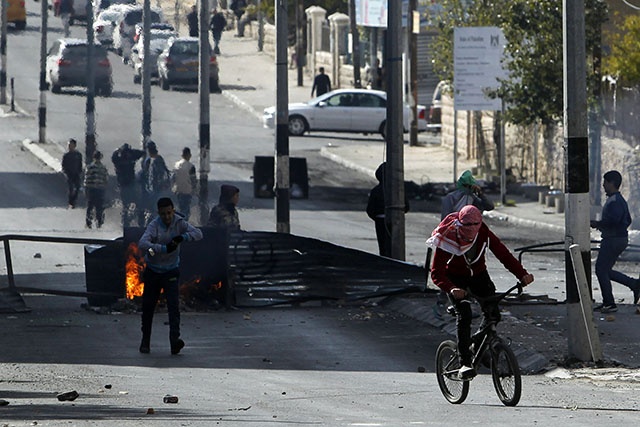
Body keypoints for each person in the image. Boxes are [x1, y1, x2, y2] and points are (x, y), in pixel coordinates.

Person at [427, 205, 534, 380]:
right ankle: (465, 363)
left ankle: (476, 344)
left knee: (494, 314)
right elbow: (437, 272)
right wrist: (452, 288)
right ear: (459, 224)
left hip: (478, 276)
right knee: (465, 316)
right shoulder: (448, 237)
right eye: (467, 225)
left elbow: (503, 254)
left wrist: (522, 274)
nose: (471, 230)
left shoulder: (483, 233)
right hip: (455, 280)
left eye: (475, 225)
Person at [137, 197, 203, 355]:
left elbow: (198, 234)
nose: (167, 217)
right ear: (158, 213)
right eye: (163, 214)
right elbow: (143, 243)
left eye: (169, 213)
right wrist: (162, 248)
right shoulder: (154, 225)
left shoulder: (179, 223)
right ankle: (145, 341)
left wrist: (183, 237)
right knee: (148, 307)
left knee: (173, 307)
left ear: (173, 210)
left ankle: (174, 341)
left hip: (171, 271)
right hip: (153, 271)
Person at [590, 170, 640, 312]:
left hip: (613, 240)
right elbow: (627, 219)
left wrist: (598, 224)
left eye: (605, 182)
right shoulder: (616, 199)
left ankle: (609, 303)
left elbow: (614, 220)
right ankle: (634, 284)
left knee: (601, 269)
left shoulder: (615, 201)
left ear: (612, 183)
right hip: (617, 238)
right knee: (605, 270)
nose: (603, 185)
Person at [366, 162, 409, 257]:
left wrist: (378, 217)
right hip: (396, 220)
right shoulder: (399, 191)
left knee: (383, 246)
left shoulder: (375, 191)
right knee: (396, 246)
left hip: (380, 221)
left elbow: (370, 210)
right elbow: (406, 206)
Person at [112, 143, 145, 226]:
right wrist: (131, 151)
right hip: (131, 183)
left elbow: (113, 158)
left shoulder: (119, 160)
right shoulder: (131, 158)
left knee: (125, 205)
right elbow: (142, 153)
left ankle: (125, 222)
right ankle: (140, 221)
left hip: (123, 184)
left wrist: (117, 150)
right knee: (138, 203)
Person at [138, 141, 171, 226]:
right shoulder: (157, 159)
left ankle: (150, 224)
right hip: (154, 188)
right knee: (153, 209)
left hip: (153, 188)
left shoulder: (150, 160)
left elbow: (145, 174)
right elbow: (164, 173)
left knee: (152, 209)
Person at [84, 151, 109, 229]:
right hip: (100, 189)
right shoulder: (103, 168)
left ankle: (88, 222)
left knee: (90, 206)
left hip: (91, 189)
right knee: (99, 206)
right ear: (100, 157)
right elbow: (106, 179)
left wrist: (86, 188)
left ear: (93, 157)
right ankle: (99, 221)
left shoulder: (90, 167)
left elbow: (87, 178)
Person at [172, 147, 197, 221]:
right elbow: (193, 180)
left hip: (178, 190)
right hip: (187, 191)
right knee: (186, 210)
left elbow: (173, 178)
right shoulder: (191, 166)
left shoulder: (176, 165)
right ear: (189, 155)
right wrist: (195, 190)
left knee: (179, 208)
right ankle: (184, 224)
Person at [61, 138, 83, 209]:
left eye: (71, 145)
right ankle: (71, 202)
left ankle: (74, 200)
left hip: (76, 173)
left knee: (77, 188)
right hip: (69, 174)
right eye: (69, 145)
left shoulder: (78, 155)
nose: (70, 146)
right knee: (70, 188)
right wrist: (65, 172)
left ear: (75, 146)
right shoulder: (66, 155)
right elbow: (63, 165)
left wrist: (80, 171)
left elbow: (80, 164)